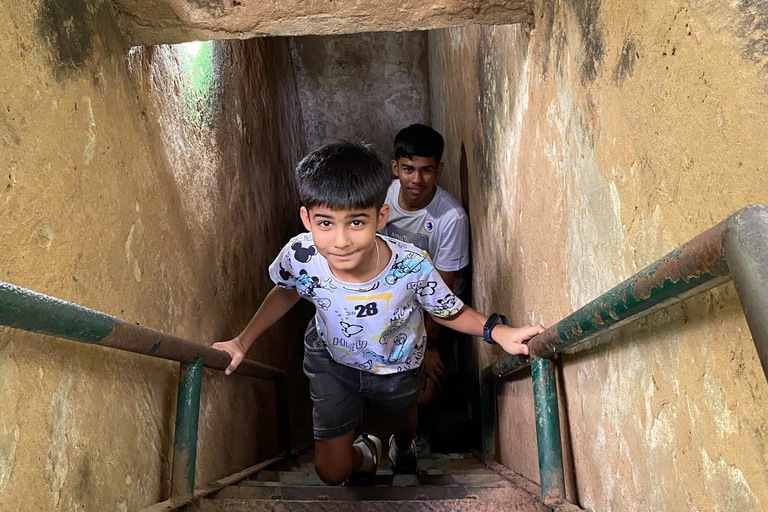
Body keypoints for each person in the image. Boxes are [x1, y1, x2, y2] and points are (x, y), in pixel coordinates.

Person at [212, 141, 542, 486]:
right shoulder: (299, 255)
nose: (340, 240)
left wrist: (496, 331)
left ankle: (402, 446)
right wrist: (241, 341)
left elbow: (443, 308)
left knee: (405, 414)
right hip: (332, 361)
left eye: (356, 222)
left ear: (380, 217)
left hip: (398, 362)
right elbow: (287, 289)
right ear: (306, 218)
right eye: (325, 223)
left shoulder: (411, 264)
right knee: (331, 471)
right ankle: (368, 451)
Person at [381, 124, 468, 403]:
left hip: (435, 310)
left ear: (438, 170)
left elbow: (444, 290)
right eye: (408, 169)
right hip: (396, 300)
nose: (416, 179)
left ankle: (415, 435)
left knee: (425, 393)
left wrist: (427, 345)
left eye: (426, 170)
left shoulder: (451, 217)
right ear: (395, 167)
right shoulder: (384, 198)